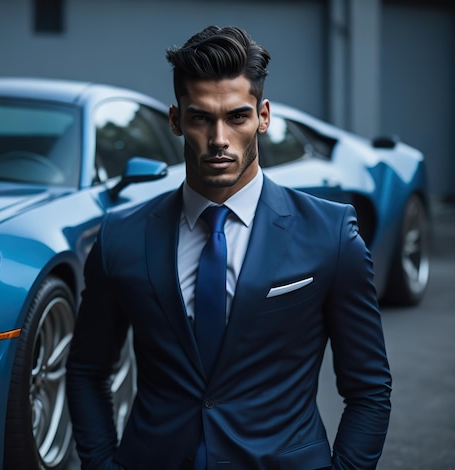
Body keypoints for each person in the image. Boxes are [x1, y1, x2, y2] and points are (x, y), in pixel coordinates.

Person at [66, 25, 392, 470]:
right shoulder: (121, 235)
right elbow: (87, 371)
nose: (219, 138)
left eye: (236, 117)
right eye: (201, 117)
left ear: (263, 116)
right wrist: (102, 465)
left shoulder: (329, 232)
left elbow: (368, 388)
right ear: (176, 120)